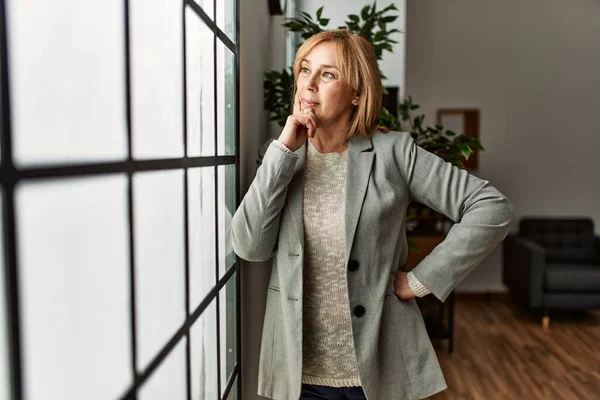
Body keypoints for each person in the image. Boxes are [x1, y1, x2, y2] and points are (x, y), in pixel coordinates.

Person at [230, 29, 514, 400]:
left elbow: (491, 206)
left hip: (379, 370)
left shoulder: (394, 153)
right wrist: (284, 151)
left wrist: (421, 280)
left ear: (358, 93)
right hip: (297, 373)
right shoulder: (281, 155)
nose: (309, 84)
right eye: (304, 69)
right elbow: (250, 247)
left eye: (328, 74)